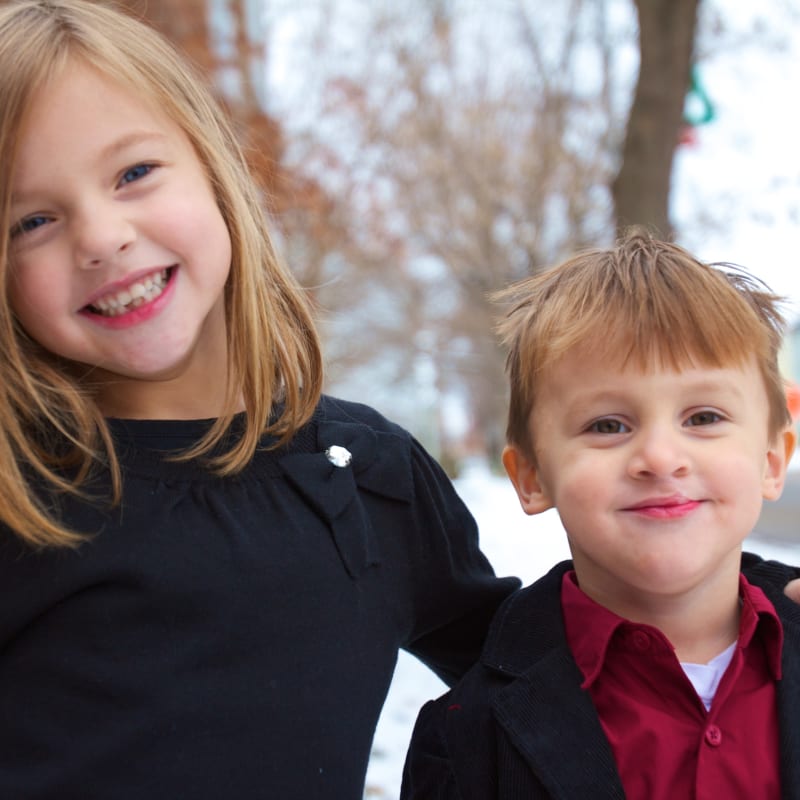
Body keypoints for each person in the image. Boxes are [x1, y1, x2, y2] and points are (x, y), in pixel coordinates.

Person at [0, 2, 522, 797]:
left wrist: (756, 602)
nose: (100, 236)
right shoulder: (18, 504)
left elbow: (536, 664)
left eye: (133, 173)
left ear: (215, 168)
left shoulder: (367, 478)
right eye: (32, 219)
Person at [401, 231, 800, 799]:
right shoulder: (468, 735)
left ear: (770, 460)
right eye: (607, 425)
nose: (661, 458)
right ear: (533, 477)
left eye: (704, 416)